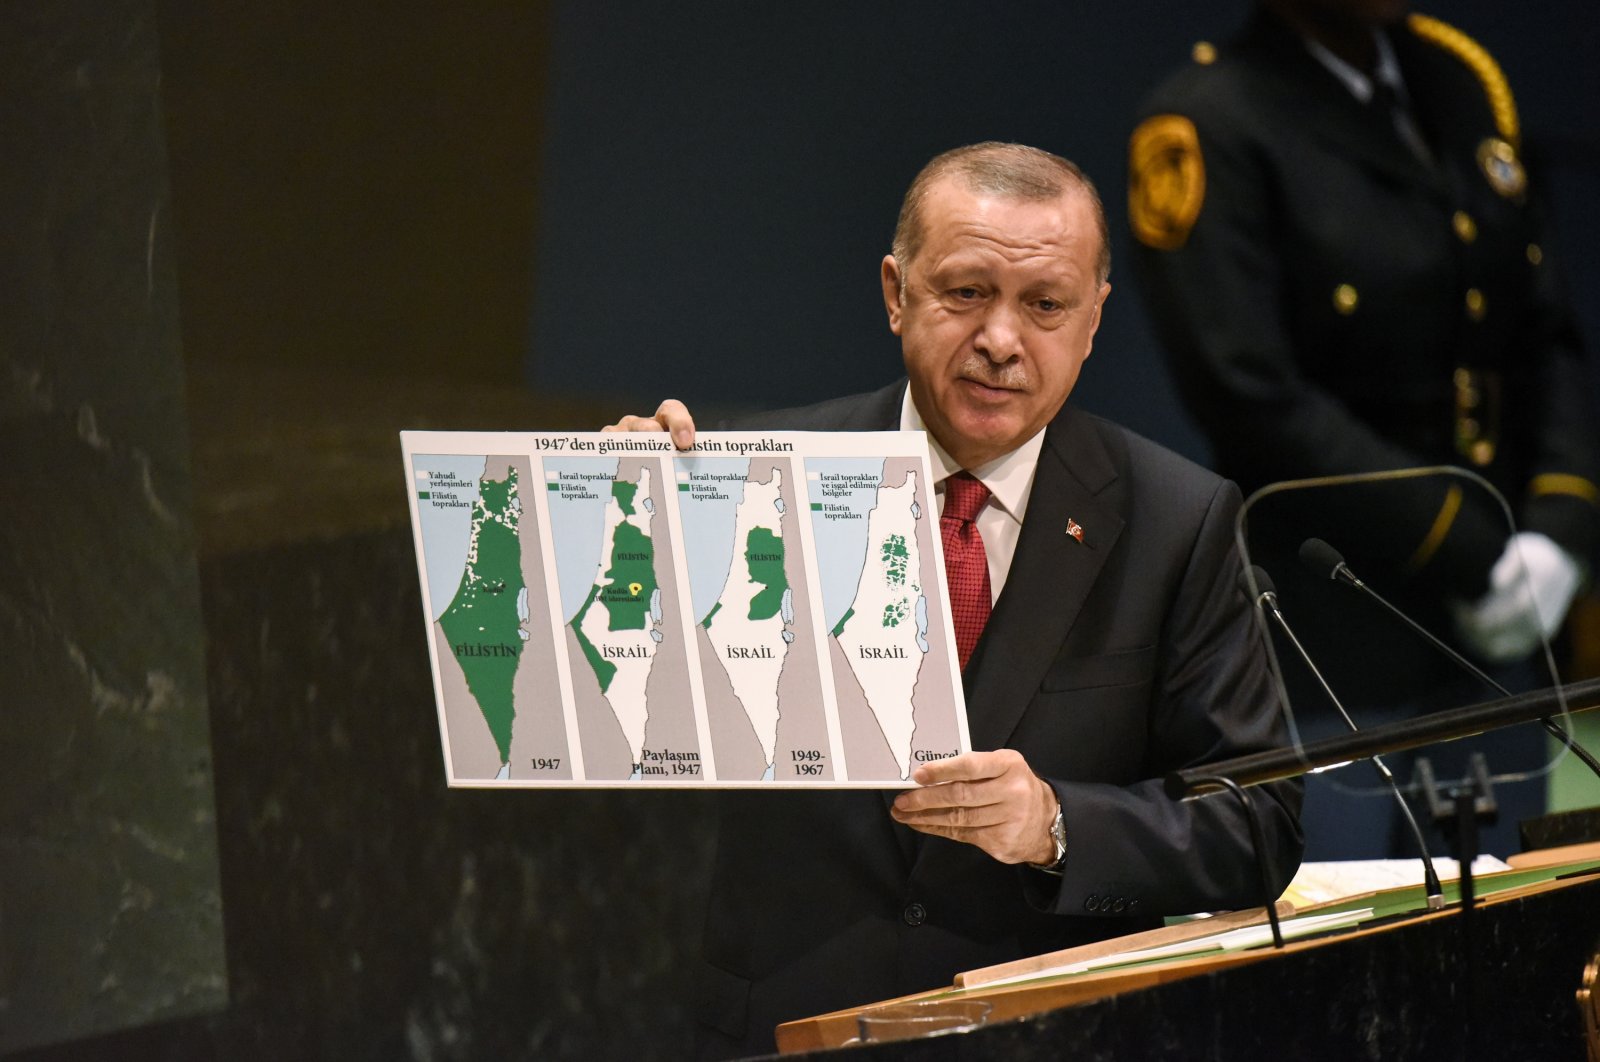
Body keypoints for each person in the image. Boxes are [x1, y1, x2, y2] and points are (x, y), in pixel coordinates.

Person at [607, 142, 1303, 1057]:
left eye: (1046, 305)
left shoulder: (1179, 520)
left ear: (1094, 320)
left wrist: (1055, 824)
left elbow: (1256, 825)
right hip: (785, 1028)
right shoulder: (746, 478)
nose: (1002, 341)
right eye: (966, 293)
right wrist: (616, 525)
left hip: (1047, 1035)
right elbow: (613, 751)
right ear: (897, 293)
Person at [1128, 1, 1600, 858]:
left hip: (1500, 632)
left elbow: (1546, 333)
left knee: (1521, 942)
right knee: (1347, 955)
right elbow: (1251, 394)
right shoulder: (1210, 120)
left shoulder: (1459, 82)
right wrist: (1469, 544)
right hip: (1336, 638)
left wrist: (1562, 533)